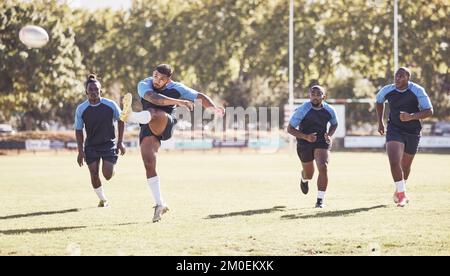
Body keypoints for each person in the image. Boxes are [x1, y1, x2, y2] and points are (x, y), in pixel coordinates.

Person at [120, 64, 224, 222]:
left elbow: (200, 96)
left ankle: (131, 117)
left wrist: (214, 108)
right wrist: (180, 102)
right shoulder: (144, 84)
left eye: (162, 79)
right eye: (155, 76)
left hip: (166, 123)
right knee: (148, 162)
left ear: (168, 80)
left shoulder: (177, 88)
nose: (157, 80)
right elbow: (154, 99)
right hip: (148, 126)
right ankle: (160, 204)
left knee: (155, 112)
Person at [376, 67, 433, 207]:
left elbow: (429, 111)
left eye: (401, 76)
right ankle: (402, 195)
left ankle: (401, 188)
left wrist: (411, 117)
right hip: (394, 129)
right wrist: (380, 122)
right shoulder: (387, 90)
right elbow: (379, 101)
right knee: (394, 160)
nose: (397, 78)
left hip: (413, 131)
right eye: (396, 76)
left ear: (408, 78)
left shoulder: (417, 90)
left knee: (405, 166)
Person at [75, 74, 126, 208]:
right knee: (94, 174)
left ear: (100, 91)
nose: (93, 92)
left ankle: (112, 168)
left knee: (107, 175)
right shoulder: (81, 109)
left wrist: (120, 142)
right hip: (91, 146)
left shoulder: (110, 105)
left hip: (108, 144)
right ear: (86, 92)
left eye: (96, 89)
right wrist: (80, 151)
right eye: (91, 90)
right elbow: (78, 130)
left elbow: (121, 120)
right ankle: (103, 200)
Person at [287, 85, 338, 208]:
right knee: (309, 174)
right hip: (304, 143)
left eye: (318, 94)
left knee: (323, 167)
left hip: (321, 141)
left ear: (323, 97)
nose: (315, 97)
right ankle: (304, 178)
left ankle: (320, 201)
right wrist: (306, 137)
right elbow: (290, 129)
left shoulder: (329, 110)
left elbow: (334, 124)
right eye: (312, 94)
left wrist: (329, 135)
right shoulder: (303, 110)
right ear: (309, 96)